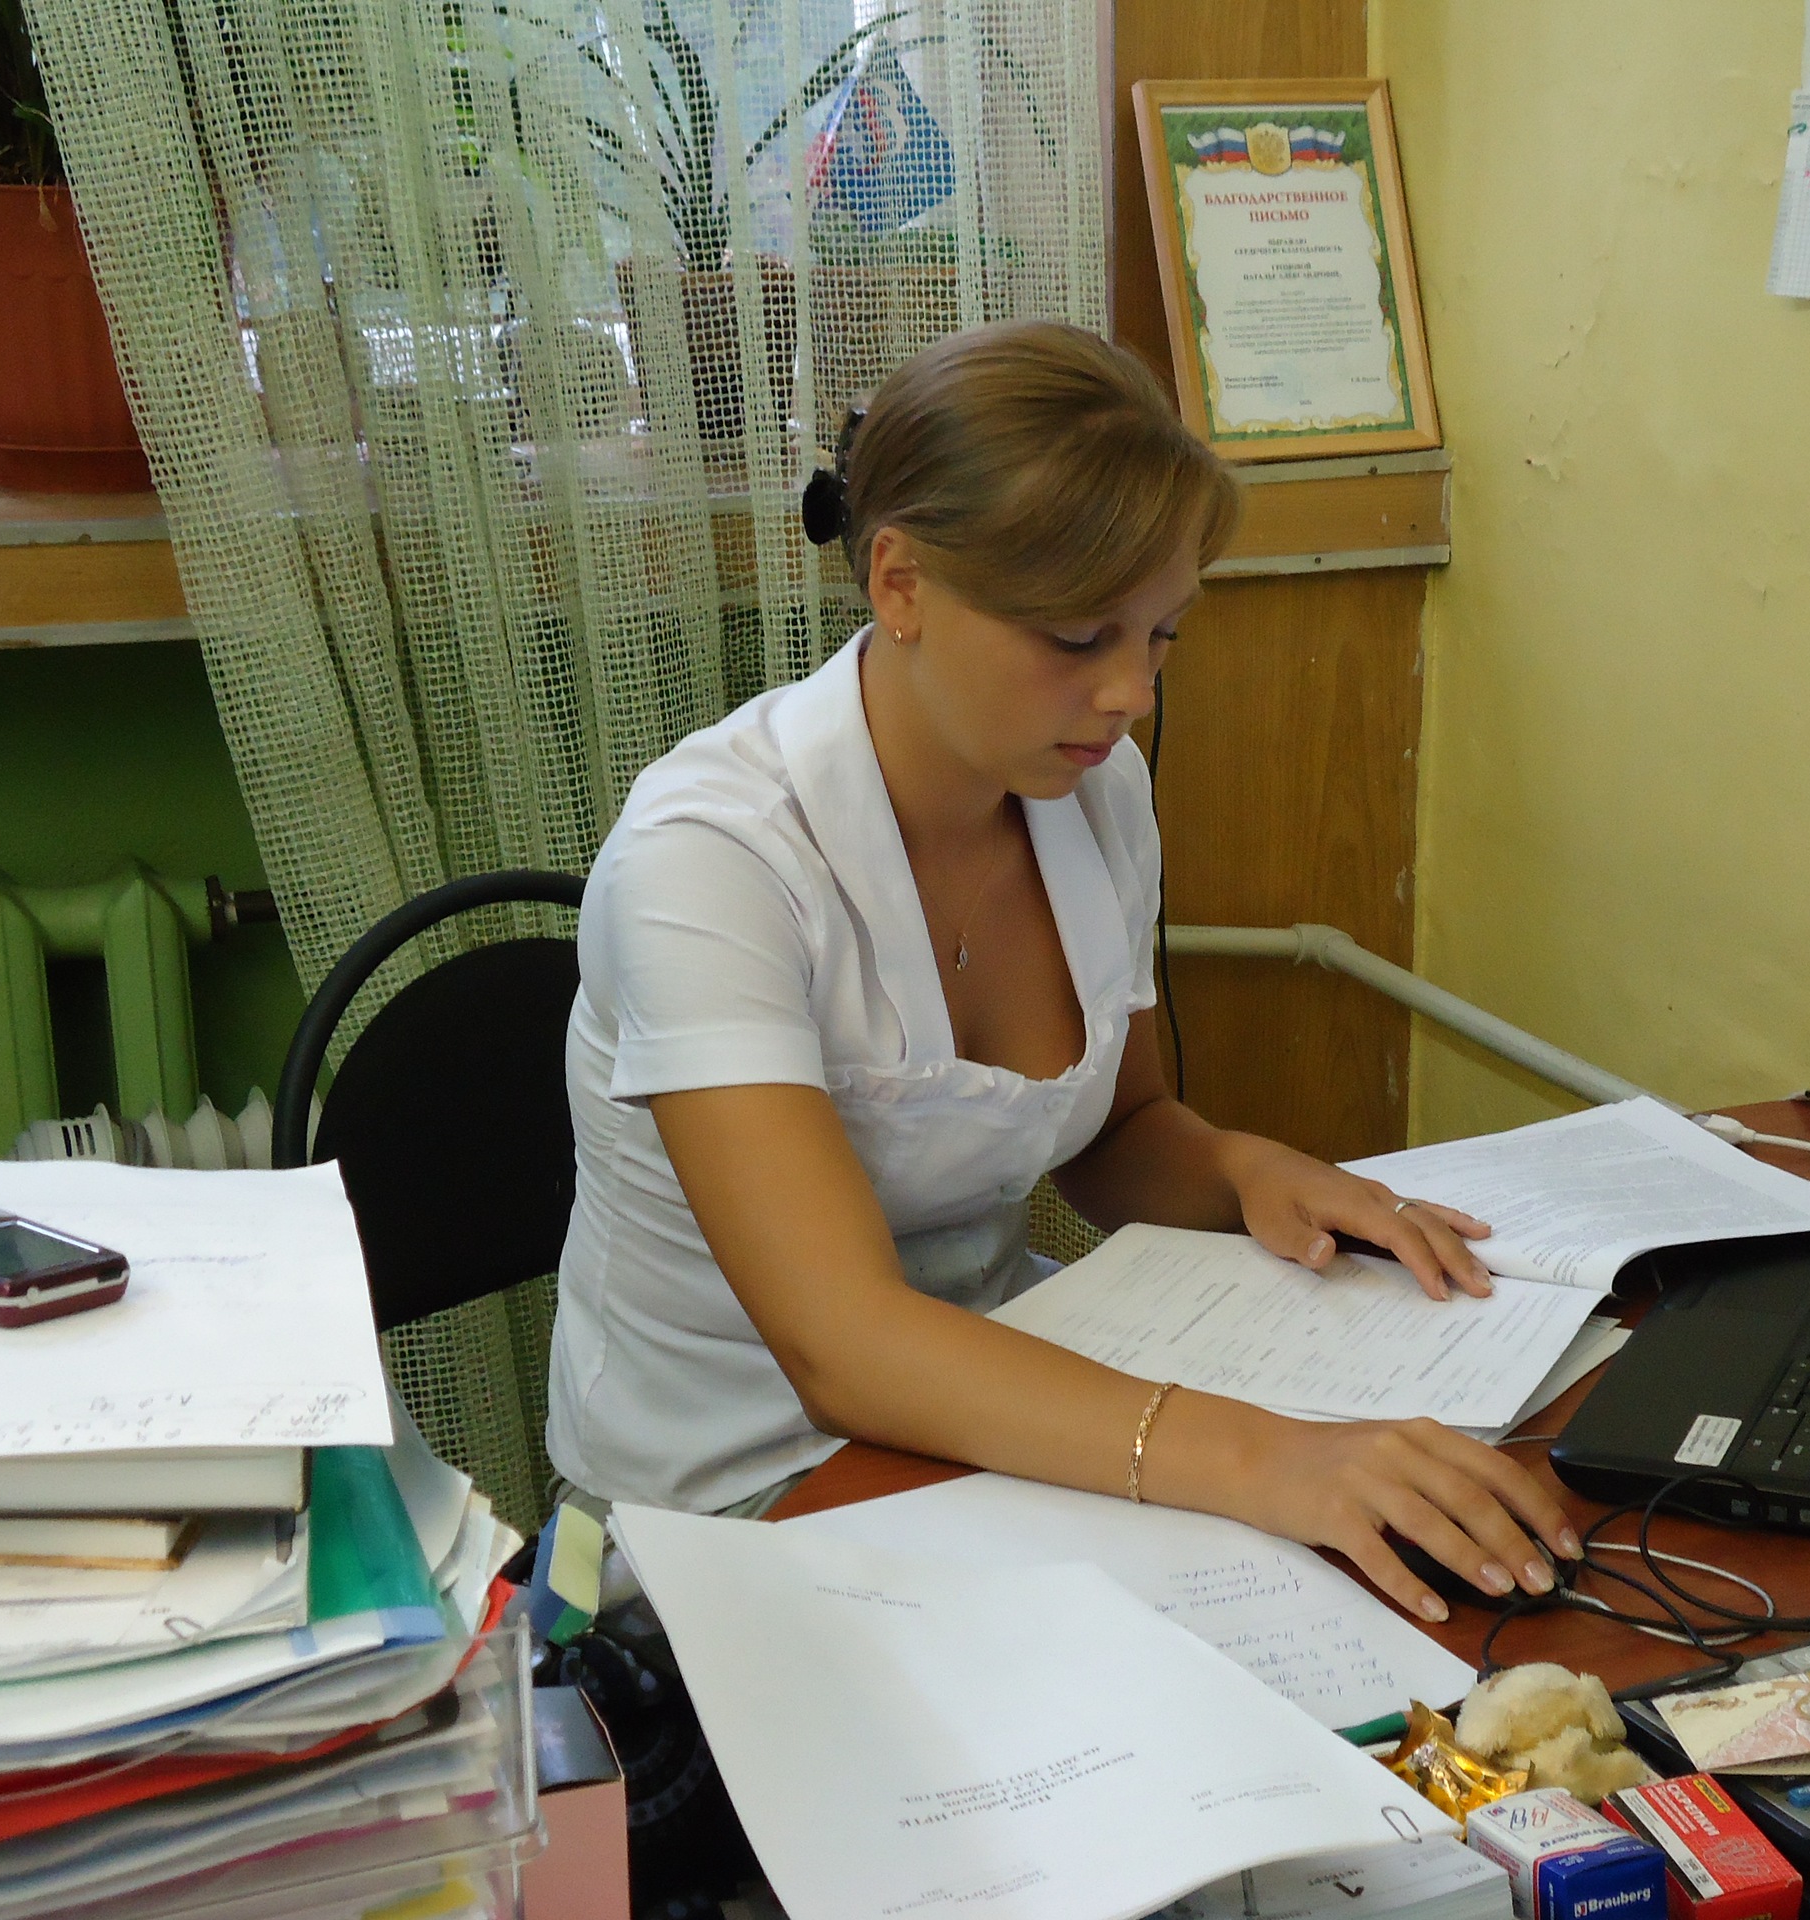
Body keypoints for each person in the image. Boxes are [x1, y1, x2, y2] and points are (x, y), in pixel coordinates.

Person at [547, 320, 1575, 1620]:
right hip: (736, 1491)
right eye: (1081, 637)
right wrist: (1265, 1459)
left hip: (1006, 1404)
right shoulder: (712, 860)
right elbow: (842, 1347)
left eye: (1163, 636)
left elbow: (1117, 1133)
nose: (1129, 692)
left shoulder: (1090, 790)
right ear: (902, 582)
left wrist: (1244, 1172)